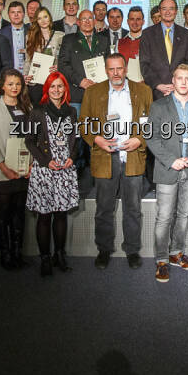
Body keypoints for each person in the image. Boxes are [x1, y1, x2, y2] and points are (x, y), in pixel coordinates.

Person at [80, 54, 153, 269]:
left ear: (126, 68)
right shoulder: (93, 92)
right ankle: (104, 249)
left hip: (132, 157)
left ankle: (132, 250)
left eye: (120, 68)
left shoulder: (144, 91)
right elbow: (84, 123)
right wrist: (97, 139)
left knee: (133, 208)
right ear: (105, 70)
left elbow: (152, 123)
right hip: (105, 157)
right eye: (112, 69)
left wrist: (139, 140)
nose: (116, 73)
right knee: (104, 208)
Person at [146, 64, 188, 283]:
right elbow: (151, 138)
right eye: (179, 78)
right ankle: (162, 260)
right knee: (164, 218)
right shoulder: (158, 106)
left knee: (183, 215)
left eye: (187, 78)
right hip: (167, 170)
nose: (183, 82)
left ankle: (177, 253)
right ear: (172, 81)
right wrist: (171, 160)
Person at [25, 72, 80, 276]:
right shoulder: (38, 111)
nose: (57, 90)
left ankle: (59, 254)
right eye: (53, 87)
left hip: (65, 169)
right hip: (45, 169)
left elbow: (76, 139)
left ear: (65, 89)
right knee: (44, 215)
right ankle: (45, 258)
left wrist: (72, 158)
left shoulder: (71, 112)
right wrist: (45, 161)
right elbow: (29, 140)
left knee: (61, 215)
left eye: (60, 86)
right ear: (46, 89)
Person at [0, 69, 32, 270]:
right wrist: (3, 167)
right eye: (10, 84)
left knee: (18, 213)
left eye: (18, 84)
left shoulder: (28, 107)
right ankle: (4, 253)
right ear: (2, 85)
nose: (14, 88)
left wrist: (31, 164)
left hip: (23, 170)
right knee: (2, 212)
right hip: (2, 171)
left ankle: (16, 252)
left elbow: (33, 139)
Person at [139, 0, 188, 101]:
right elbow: (144, 64)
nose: (168, 12)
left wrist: (178, 84)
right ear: (159, 11)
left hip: (181, 92)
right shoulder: (147, 34)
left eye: (171, 8)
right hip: (156, 93)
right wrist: (157, 84)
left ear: (176, 11)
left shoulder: (186, 35)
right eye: (164, 9)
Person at [58, 9, 110, 106]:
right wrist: (80, 81)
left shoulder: (104, 40)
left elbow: (109, 64)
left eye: (90, 18)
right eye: (83, 19)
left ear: (94, 22)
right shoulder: (69, 39)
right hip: (77, 95)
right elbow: (63, 65)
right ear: (78, 22)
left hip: (100, 93)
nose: (87, 22)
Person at [23, 6, 61, 103]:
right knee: (37, 112)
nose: (43, 20)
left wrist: (58, 66)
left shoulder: (60, 36)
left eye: (45, 17)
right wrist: (25, 76)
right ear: (36, 21)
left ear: (50, 18)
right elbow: (28, 60)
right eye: (39, 18)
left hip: (54, 80)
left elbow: (64, 58)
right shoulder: (30, 37)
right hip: (36, 82)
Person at [0, 0, 30, 72]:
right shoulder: (0, 34)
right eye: (13, 12)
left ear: (24, 14)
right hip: (8, 75)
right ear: (8, 14)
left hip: (29, 75)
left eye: (19, 12)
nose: (16, 15)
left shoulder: (32, 32)